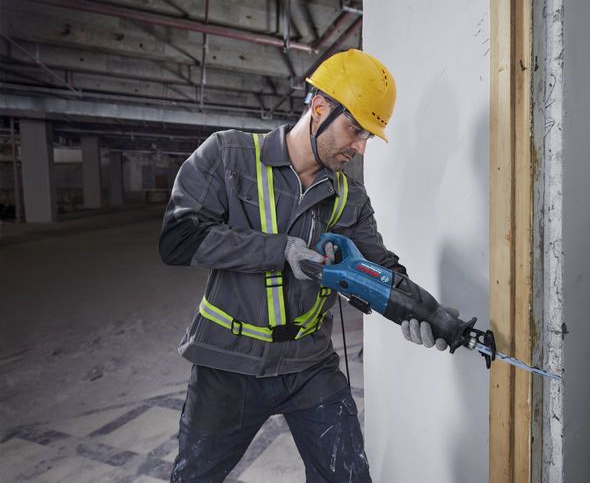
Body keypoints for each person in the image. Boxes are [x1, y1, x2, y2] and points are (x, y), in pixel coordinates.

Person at [159, 49, 448, 482]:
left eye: (368, 136)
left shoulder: (350, 196)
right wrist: (281, 250)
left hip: (309, 365)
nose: (361, 146)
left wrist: (427, 313)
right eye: (355, 130)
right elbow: (177, 240)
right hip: (227, 363)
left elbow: (380, 265)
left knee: (347, 478)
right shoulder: (228, 156)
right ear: (319, 109)